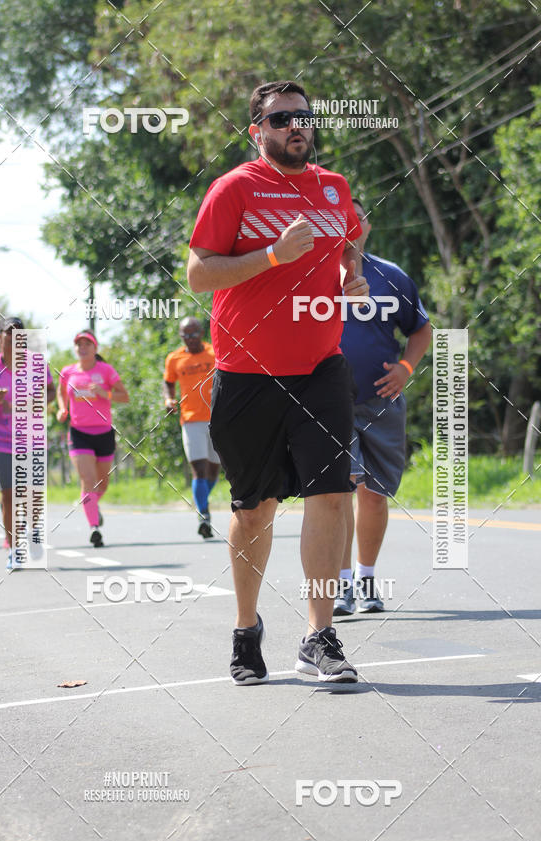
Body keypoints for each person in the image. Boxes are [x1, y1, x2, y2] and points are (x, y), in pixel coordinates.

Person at [187, 80, 368, 685]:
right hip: (248, 375)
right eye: (282, 118)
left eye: (304, 117)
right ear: (257, 130)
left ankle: (320, 635)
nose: (297, 126)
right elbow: (199, 274)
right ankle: (246, 628)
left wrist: (354, 274)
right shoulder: (233, 188)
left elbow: (350, 241)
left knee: (333, 496)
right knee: (255, 508)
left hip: (321, 367)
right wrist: (272, 256)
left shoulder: (333, 188)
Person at [334, 200, 432, 615]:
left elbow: (421, 328)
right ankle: (339, 588)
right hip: (327, 404)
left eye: (358, 216)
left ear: (367, 227)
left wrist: (406, 367)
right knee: (336, 493)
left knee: (373, 494)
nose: (350, 223)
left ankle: (367, 578)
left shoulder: (390, 276)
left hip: (381, 401)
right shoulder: (306, 274)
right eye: (341, 215)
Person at [0, 316, 56, 570]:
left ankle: (32, 534)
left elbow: (51, 391)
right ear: (0, 338)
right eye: (9, 337)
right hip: (0, 443)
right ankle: (14, 549)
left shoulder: (37, 363)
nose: (14, 342)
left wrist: (35, 401)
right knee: (9, 496)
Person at [57, 331, 129, 548]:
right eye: (79, 344)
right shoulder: (67, 372)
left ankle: (91, 504)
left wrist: (104, 393)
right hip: (79, 433)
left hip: (104, 432)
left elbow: (124, 397)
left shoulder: (106, 371)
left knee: (101, 483)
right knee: (87, 481)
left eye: (87, 344)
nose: (83, 347)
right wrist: (62, 409)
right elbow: (61, 393)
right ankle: (94, 528)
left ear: (95, 349)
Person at [163, 316, 220, 538]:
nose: (190, 339)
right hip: (191, 419)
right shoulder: (174, 358)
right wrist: (169, 400)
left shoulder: (215, 353)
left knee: (214, 471)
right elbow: (168, 383)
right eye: (185, 335)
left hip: (217, 419)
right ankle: (204, 516)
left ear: (202, 333)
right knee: (199, 470)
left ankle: (201, 503)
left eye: (194, 334)